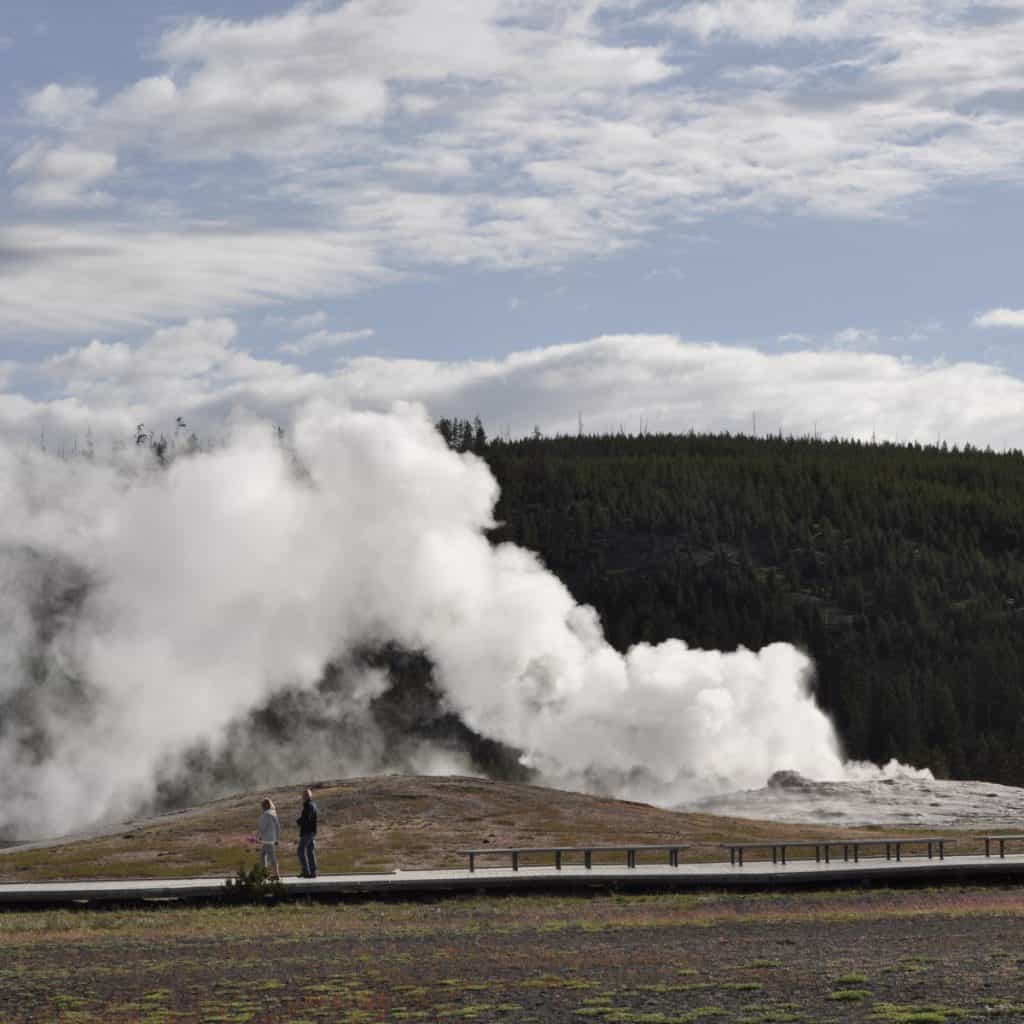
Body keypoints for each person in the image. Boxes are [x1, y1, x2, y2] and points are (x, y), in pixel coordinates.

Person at [296, 787, 319, 878]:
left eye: (303, 795)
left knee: (300, 850)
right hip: (312, 831)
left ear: (306, 796)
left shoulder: (308, 806)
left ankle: (305, 871)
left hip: (307, 832)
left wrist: (299, 821)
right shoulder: (312, 804)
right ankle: (313, 872)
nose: (302, 797)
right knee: (310, 851)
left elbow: (306, 819)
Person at [256, 797, 280, 879]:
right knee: (263, 855)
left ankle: (276, 874)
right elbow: (278, 827)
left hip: (267, 839)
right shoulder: (274, 814)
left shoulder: (266, 815)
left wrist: (258, 837)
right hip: (271, 838)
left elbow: (262, 827)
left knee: (270, 856)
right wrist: (277, 839)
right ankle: (264, 873)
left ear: (265, 806)